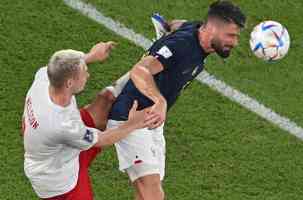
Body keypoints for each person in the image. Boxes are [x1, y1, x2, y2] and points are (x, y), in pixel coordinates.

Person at [106, 1, 247, 199]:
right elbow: (140, 70)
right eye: (231, 35)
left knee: (148, 193)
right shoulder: (180, 47)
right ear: (212, 28)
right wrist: (160, 101)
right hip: (132, 115)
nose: (235, 42)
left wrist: (166, 25)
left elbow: (180, 24)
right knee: (153, 193)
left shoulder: (197, 29)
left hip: (153, 120)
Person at [22, 42, 159, 200]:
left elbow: (61, 65)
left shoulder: (45, 76)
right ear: (69, 83)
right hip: (59, 181)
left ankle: (143, 68)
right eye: (84, 73)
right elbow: (102, 139)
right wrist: (135, 122)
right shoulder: (62, 125)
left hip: (60, 150)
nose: (88, 75)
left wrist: (91, 56)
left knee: (105, 100)